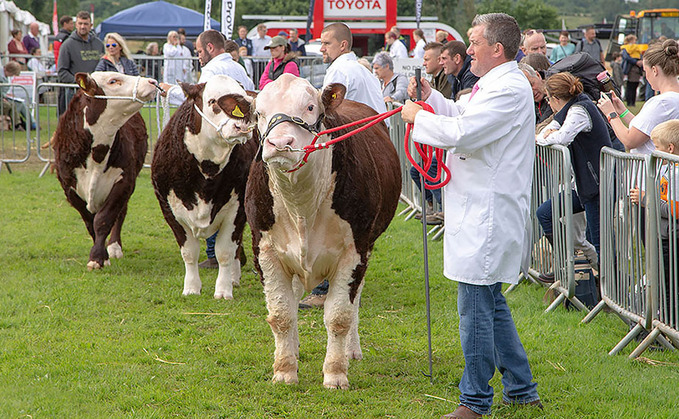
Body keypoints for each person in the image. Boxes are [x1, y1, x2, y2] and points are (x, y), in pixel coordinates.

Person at [401, 13, 541, 418]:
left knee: (476, 308)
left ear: (496, 48)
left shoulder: (508, 88)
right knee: (490, 303)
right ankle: (521, 388)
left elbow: (464, 133)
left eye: (473, 42)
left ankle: (474, 402)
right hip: (477, 207)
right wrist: (431, 98)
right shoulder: (494, 84)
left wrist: (418, 117)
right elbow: (463, 118)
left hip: (488, 213)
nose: (466, 50)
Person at [299, 22, 388, 309]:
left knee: (333, 213)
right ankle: (345, 276)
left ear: (343, 46)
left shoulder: (339, 71)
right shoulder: (361, 68)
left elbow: (330, 115)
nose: (321, 48)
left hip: (354, 150)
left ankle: (326, 286)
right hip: (374, 145)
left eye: (326, 43)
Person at [535, 72, 612, 263]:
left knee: (600, 243)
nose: (549, 103)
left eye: (548, 98)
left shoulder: (579, 110)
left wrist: (547, 136)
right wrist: (545, 135)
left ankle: (608, 287)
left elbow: (561, 138)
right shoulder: (568, 110)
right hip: (583, 184)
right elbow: (544, 132)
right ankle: (569, 265)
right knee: (545, 213)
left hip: (597, 185)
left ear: (555, 98)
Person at [597, 39, 679, 155]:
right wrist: (622, 111)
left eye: (646, 71)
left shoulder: (662, 102)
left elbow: (629, 140)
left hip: (654, 172)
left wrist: (611, 114)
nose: (646, 76)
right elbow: (644, 130)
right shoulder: (672, 99)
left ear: (655, 70)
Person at [630, 119, 679, 312]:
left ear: (669, 148)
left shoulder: (675, 174)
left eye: (656, 147)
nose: (653, 152)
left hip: (672, 239)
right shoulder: (668, 168)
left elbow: (674, 209)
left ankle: (667, 328)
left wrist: (646, 199)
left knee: (668, 288)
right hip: (664, 237)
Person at [160, 29, 254, 107]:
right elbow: (251, 93)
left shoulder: (211, 69)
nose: (199, 56)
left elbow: (199, 99)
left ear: (210, 48)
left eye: (200, 52)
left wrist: (170, 91)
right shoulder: (239, 68)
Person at [57, 11, 105, 115]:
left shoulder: (99, 44)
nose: (83, 27)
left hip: (95, 92)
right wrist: (79, 83)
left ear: (91, 25)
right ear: (75, 25)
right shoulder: (67, 45)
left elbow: (105, 66)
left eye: (86, 24)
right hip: (74, 92)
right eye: (80, 23)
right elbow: (62, 71)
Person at [1, 61, 34, 131]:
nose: (12, 76)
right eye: (12, 74)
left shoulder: (4, 75)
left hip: (4, 98)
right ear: (9, 71)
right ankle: (18, 124)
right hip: (1, 99)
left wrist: (6, 95)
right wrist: (3, 96)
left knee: (20, 104)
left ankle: (30, 123)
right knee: (10, 105)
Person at [620, 34, 646, 107]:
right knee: (629, 86)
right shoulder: (625, 49)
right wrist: (636, 62)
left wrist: (641, 61)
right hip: (629, 69)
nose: (635, 42)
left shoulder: (637, 49)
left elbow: (640, 55)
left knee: (635, 86)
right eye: (634, 40)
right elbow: (626, 57)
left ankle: (633, 102)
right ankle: (629, 101)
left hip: (637, 70)